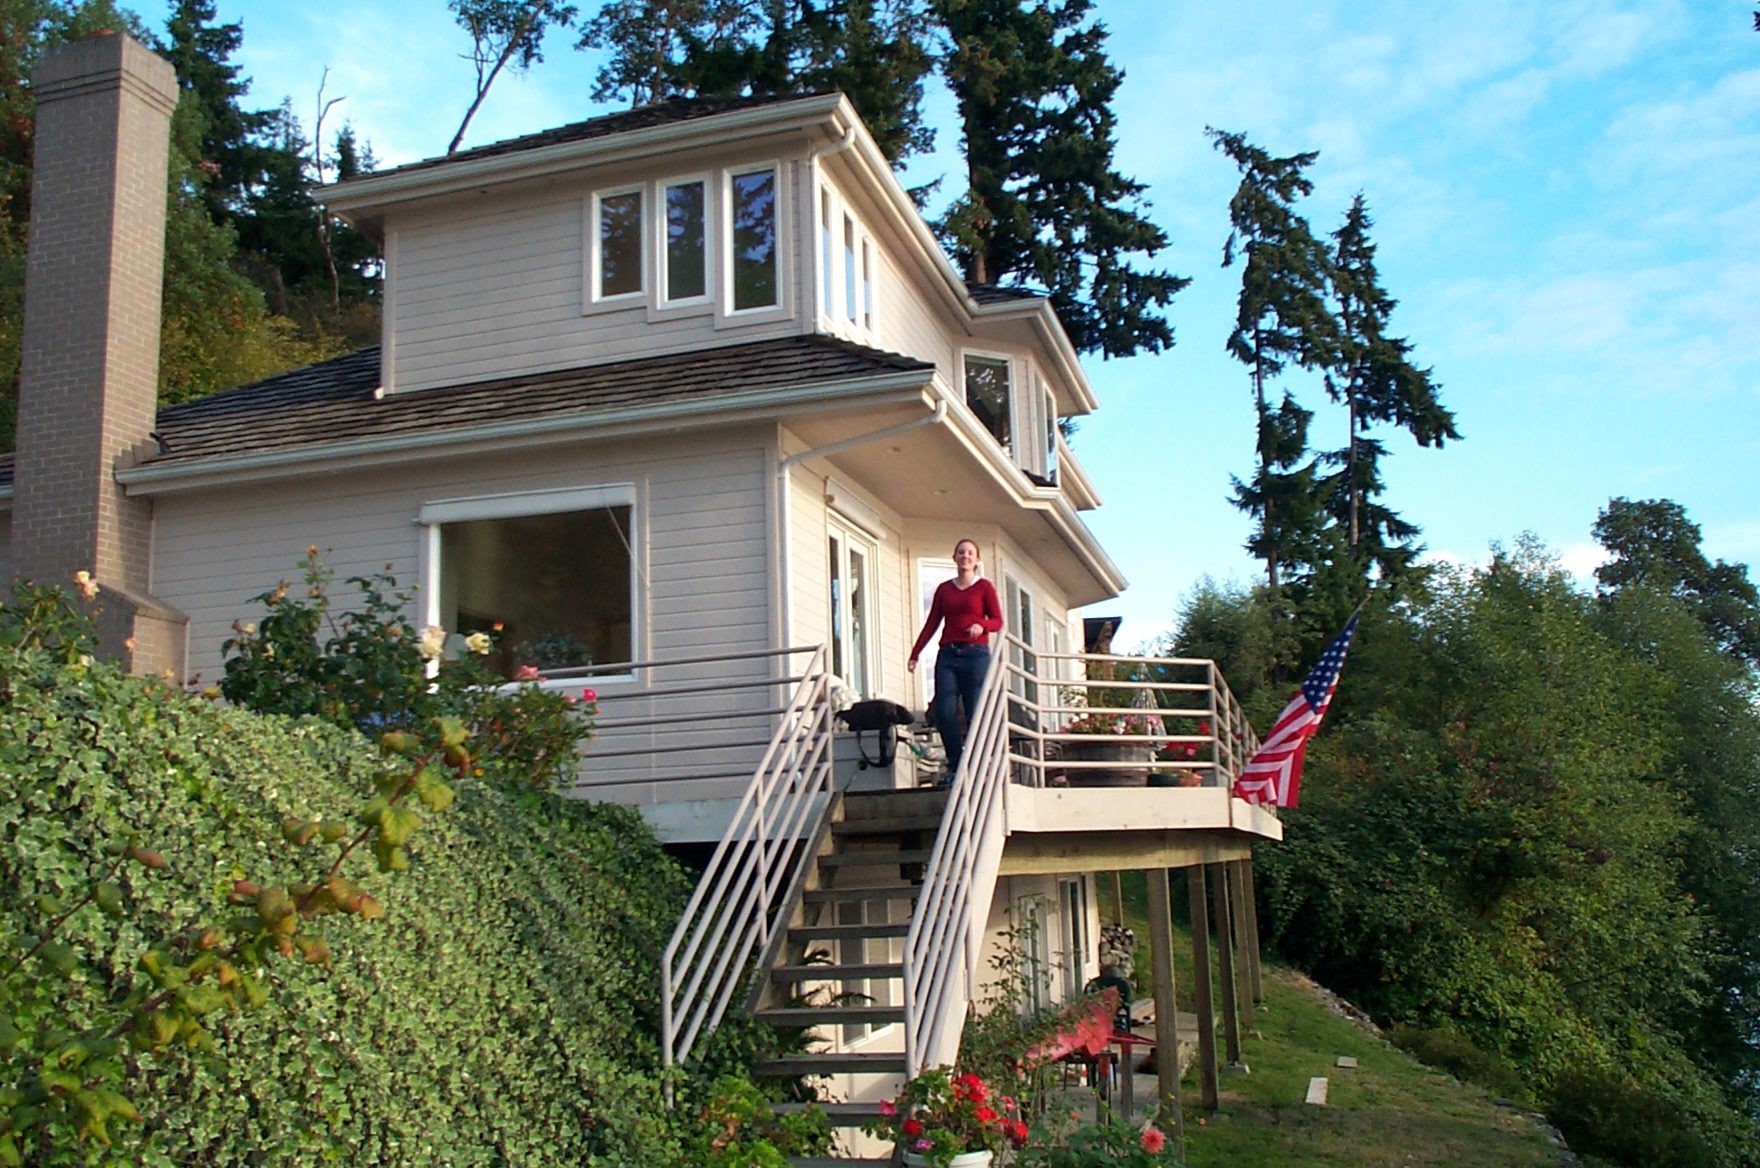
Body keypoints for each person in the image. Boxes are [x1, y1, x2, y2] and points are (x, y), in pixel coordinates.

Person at [907, 539, 1003, 783]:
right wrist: (916, 653)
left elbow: (997, 621)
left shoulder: (984, 587)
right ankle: (956, 763)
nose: (965, 556)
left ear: (977, 560)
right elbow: (932, 623)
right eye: (961, 552)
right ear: (955, 558)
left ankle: (979, 764)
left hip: (975, 655)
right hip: (948, 655)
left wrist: (981, 625)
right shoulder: (944, 590)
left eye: (970, 553)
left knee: (974, 712)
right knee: (944, 711)